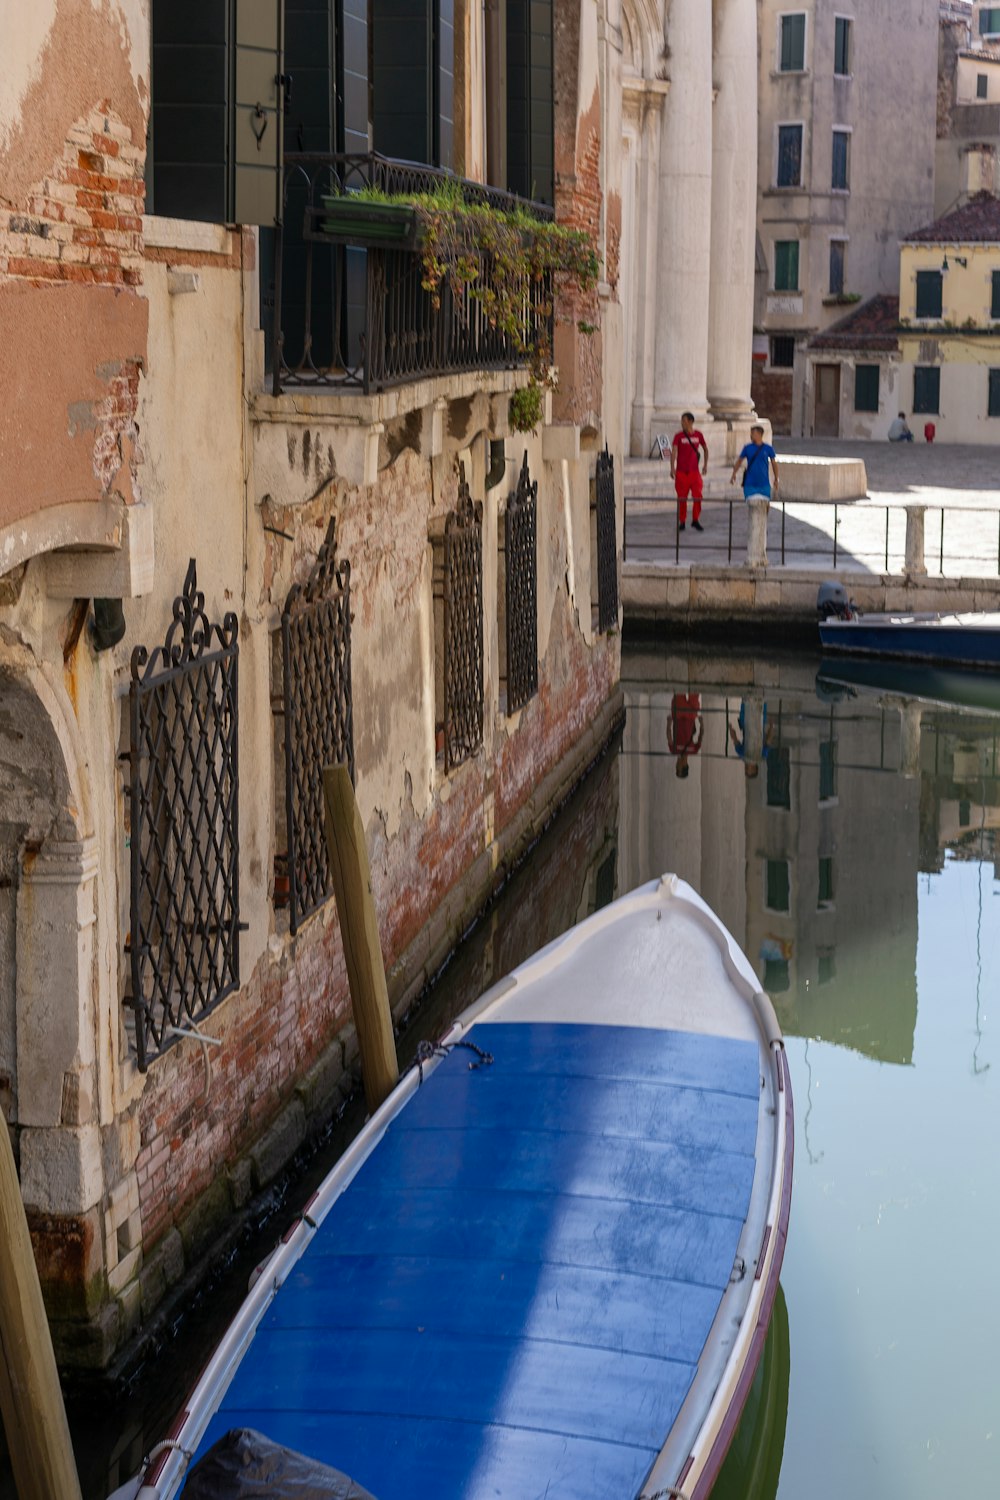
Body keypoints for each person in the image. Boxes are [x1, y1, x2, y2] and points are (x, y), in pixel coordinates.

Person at [669, 412, 709, 532]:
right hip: (681, 472)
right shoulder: (678, 436)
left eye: (684, 421)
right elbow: (674, 452)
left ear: (691, 422)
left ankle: (695, 519)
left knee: (697, 496)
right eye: (682, 421)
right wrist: (672, 468)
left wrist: (705, 465)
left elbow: (705, 449)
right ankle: (682, 520)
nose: (682, 423)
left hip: (694, 472)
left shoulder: (698, 435)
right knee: (682, 498)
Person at [730, 424, 779, 500]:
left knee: (765, 506)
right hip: (750, 484)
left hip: (764, 484)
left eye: (753, 433)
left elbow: (774, 464)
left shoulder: (768, 448)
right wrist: (734, 474)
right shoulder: (747, 447)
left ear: (759, 434)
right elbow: (739, 461)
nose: (751, 435)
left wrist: (776, 478)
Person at [667, 692, 703, 778]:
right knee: (694, 689)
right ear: (684, 766)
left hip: (680, 715)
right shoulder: (693, 751)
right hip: (690, 715)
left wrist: (669, 723)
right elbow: (700, 737)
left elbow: (669, 737)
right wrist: (702, 724)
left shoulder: (675, 750)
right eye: (677, 768)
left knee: (679, 689)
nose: (676, 765)